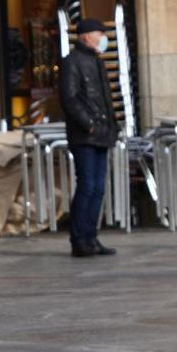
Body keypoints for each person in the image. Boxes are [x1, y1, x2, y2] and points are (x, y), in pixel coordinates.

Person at [58, 17, 118, 258]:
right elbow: (69, 99)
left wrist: (112, 127)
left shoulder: (97, 62)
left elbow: (104, 99)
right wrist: (89, 125)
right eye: (98, 33)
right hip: (85, 135)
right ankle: (79, 239)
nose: (103, 38)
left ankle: (91, 237)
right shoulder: (72, 62)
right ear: (85, 36)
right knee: (87, 185)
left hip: (103, 133)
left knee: (99, 188)